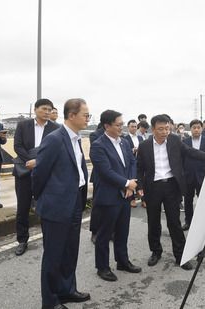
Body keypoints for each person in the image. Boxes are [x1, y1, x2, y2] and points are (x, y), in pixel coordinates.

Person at [136, 114, 205, 270]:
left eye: (167, 128)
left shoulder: (174, 141)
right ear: (153, 129)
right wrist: (140, 186)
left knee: (175, 222)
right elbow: (139, 168)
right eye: (161, 129)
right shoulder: (144, 146)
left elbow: (191, 152)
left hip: (172, 186)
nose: (165, 131)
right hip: (153, 187)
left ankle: (181, 256)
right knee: (153, 222)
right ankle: (156, 252)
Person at [32, 98, 91, 309]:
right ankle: (50, 301)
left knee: (70, 251)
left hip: (75, 202)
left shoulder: (76, 138)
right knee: (53, 256)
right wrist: (43, 199)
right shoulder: (55, 139)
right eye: (85, 115)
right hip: (56, 206)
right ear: (72, 115)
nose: (88, 118)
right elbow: (39, 173)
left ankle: (67, 290)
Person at [90, 110, 141, 282]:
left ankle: (122, 261)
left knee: (122, 231)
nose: (122, 127)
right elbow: (106, 172)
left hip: (125, 195)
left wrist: (131, 181)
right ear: (107, 126)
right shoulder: (98, 145)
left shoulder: (125, 142)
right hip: (108, 196)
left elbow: (132, 162)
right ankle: (102, 267)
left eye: (122, 124)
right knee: (104, 234)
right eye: (118, 125)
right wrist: (127, 184)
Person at [13, 99, 60, 256]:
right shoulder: (23, 125)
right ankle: (22, 240)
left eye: (50, 109)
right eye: (44, 109)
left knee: (47, 206)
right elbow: (17, 146)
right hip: (25, 172)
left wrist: (38, 162)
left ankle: (50, 238)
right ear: (35, 110)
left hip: (45, 174)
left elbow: (56, 151)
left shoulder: (56, 128)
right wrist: (30, 161)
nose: (47, 112)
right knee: (23, 207)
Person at [181, 119, 205, 231]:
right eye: (194, 127)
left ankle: (204, 222)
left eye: (198, 127)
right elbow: (181, 159)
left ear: (202, 128)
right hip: (188, 176)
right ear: (190, 129)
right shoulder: (185, 142)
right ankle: (188, 222)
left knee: (203, 200)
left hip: (203, 176)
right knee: (188, 201)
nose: (196, 129)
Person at [89, 122, 105, 243]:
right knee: (98, 204)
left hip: (116, 176)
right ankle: (95, 231)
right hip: (100, 175)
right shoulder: (95, 135)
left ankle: (109, 231)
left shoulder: (120, 136)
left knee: (112, 206)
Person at [123, 120, 144, 208]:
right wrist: (133, 150)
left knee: (141, 179)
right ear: (128, 127)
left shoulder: (140, 138)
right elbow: (124, 152)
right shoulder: (125, 138)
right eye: (132, 126)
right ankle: (132, 199)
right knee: (131, 178)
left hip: (140, 161)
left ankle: (144, 199)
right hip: (130, 162)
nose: (134, 128)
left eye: (135, 126)